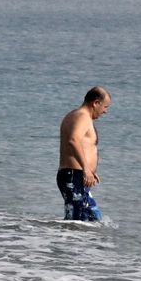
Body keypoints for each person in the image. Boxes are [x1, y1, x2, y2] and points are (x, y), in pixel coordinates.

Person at [57, 86, 111, 222]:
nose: (105, 111)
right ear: (95, 103)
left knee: (91, 219)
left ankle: (75, 243)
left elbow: (84, 145)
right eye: (105, 106)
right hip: (74, 176)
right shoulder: (83, 117)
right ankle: (69, 243)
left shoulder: (74, 115)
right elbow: (73, 141)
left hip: (75, 176)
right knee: (77, 222)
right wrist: (86, 168)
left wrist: (90, 170)